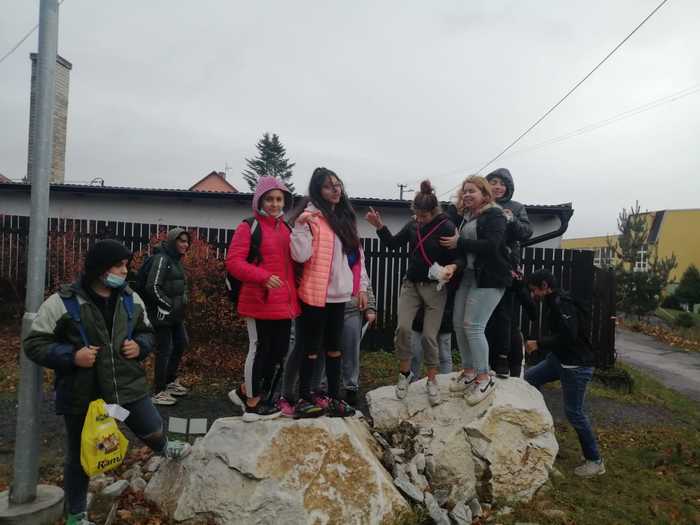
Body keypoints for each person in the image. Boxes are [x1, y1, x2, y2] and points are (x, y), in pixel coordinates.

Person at [23, 240, 190, 525]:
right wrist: (72, 356)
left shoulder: (130, 298)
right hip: (83, 395)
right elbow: (34, 343)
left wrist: (140, 346)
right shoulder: (62, 302)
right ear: (100, 269)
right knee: (79, 456)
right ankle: (76, 514)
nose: (125, 271)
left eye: (126, 265)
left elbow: (147, 332)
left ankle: (163, 447)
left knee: (150, 425)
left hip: (125, 389)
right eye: (118, 266)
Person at [367, 180, 460, 406]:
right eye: (417, 215)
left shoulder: (446, 227)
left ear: (434, 211)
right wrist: (380, 226)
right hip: (411, 285)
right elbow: (392, 244)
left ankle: (432, 380)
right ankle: (405, 374)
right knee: (403, 328)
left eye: (424, 216)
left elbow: (459, 256)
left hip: (435, 288)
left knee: (429, 336)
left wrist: (453, 266)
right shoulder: (413, 225)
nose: (420, 219)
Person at [290, 167, 370, 418]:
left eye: (337, 184)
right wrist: (299, 227)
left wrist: (361, 287)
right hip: (315, 294)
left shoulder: (345, 218)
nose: (335, 190)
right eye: (328, 186)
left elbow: (357, 258)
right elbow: (300, 255)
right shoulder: (310, 218)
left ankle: (335, 398)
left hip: (340, 295)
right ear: (317, 191)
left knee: (335, 349)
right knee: (311, 348)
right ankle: (304, 398)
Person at [225, 176, 301, 421]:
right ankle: (252, 405)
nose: (275, 204)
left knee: (278, 352)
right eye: (269, 199)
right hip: (258, 300)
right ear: (259, 200)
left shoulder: (287, 229)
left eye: (279, 199)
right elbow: (233, 262)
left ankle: (246, 391)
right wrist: (263, 277)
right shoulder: (248, 226)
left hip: (283, 303)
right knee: (259, 350)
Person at [524, 269, 605, 477]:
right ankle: (539, 430)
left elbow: (569, 335)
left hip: (576, 366)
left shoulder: (562, 304)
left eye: (534, 290)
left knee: (574, 413)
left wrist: (539, 343)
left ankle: (595, 461)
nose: (533, 294)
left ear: (544, 286)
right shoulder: (553, 301)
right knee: (530, 379)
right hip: (558, 360)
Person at [441, 175, 511, 405]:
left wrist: (460, 242)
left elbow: (492, 245)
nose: (467, 194)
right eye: (465, 191)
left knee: (473, 326)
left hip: (490, 278)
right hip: (469, 275)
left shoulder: (495, 215)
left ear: (484, 194)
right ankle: (469, 372)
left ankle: (484, 377)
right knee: (458, 324)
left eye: (472, 191)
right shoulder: (466, 217)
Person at [484, 168, 533, 377]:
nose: (497, 187)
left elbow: (526, 232)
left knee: (505, 315)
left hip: (507, 267)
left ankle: (503, 359)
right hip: (483, 266)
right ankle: (483, 361)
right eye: (493, 182)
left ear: (508, 188)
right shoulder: (481, 205)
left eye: (502, 184)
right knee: (483, 316)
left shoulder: (516, 207)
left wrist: (511, 219)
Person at [142, 227, 191, 406]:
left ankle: (169, 381)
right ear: (172, 241)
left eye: (187, 241)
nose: (185, 244)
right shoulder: (162, 259)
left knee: (181, 343)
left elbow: (180, 286)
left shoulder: (175, 260)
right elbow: (152, 286)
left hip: (175, 315)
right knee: (165, 349)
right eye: (181, 241)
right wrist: (168, 305)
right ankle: (158, 391)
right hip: (162, 314)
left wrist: (182, 302)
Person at [310, 286, 377, 407]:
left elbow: (364, 280)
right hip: (326, 306)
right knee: (324, 350)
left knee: (351, 351)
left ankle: (351, 388)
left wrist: (370, 307)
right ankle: (322, 387)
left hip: (352, 309)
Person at [410, 287, 455, 378]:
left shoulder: (450, 281)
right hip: (420, 317)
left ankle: (445, 383)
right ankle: (412, 382)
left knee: (444, 354)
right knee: (415, 353)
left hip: (445, 315)